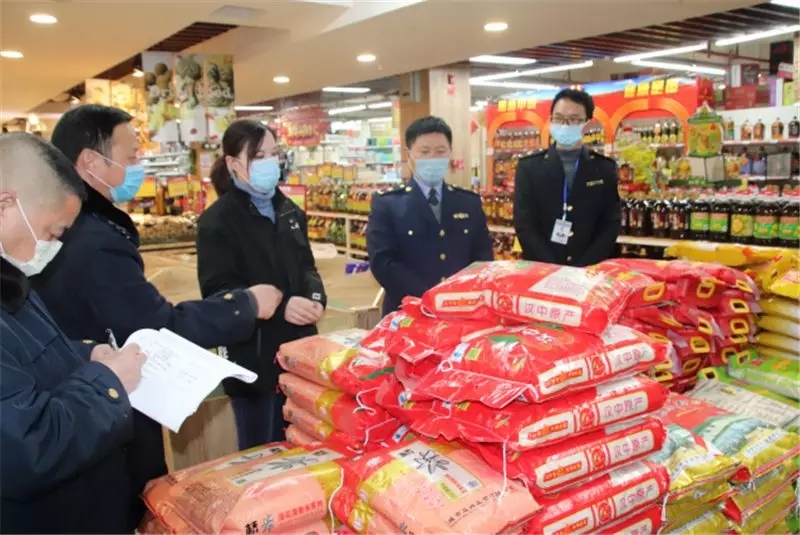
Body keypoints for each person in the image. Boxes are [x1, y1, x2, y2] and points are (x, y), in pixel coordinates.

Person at [33, 105, 284, 530]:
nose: (139, 166)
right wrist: (245, 305)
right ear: (91, 161)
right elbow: (154, 326)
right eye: (131, 156)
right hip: (103, 423)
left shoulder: (77, 228)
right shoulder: (94, 238)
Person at [0, 132, 147, 533]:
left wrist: (85, 355)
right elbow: (26, 449)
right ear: (6, 205)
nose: (53, 247)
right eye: (52, 233)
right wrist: (108, 384)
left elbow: (25, 357)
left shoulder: (11, 277)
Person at [197, 119, 326, 449]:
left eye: (272, 153)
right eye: (258, 156)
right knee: (262, 454)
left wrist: (315, 297)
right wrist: (282, 308)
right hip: (252, 360)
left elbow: (306, 266)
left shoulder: (289, 211)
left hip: (299, 355)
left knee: (303, 447)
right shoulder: (217, 222)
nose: (269, 162)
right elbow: (219, 292)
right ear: (233, 163)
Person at [367, 116, 493, 316]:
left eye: (440, 151)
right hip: (408, 311)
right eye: (424, 152)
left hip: (461, 310)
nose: (433, 158)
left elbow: (483, 257)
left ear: (450, 152)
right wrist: (429, 298)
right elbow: (383, 263)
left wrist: (460, 297)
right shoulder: (388, 204)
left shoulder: (468, 202)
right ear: (409, 154)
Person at [513, 88, 621, 267]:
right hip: (542, 268)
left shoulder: (604, 168)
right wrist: (551, 266)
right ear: (551, 120)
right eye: (559, 118)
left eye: (574, 119)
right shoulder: (529, 168)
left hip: (589, 269)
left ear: (587, 124)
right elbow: (524, 224)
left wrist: (585, 266)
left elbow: (610, 224)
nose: (565, 125)